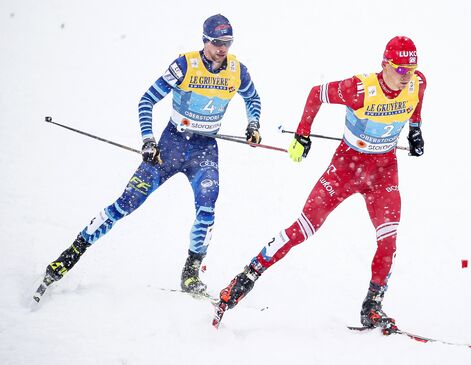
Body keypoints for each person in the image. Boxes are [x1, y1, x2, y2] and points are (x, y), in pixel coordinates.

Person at [35, 14, 262, 301]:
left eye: (227, 42)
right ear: (205, 40)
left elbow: (253, 98)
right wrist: (147, 140)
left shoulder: (237, 70)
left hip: (204, 151)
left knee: (207, 209)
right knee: (126, 204)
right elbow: (147, 100)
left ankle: (190, 274)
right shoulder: (184, 65)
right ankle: (69, 256)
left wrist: (253, 125)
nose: (222, 48)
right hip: (170, 147)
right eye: (217, 42)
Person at [215, 36, 426, 333]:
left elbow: (417, 103)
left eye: (412, 69)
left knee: (388, 241)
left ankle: (372, 307)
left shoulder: (417, 83)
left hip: (383, 172)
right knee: (303, 228)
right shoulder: (360, 89)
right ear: (385, 65)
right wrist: (303, 134)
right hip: (346, 169)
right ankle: (246, 277)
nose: (407, 76)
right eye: (401, 69)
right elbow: (317, 94)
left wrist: (415, 131)